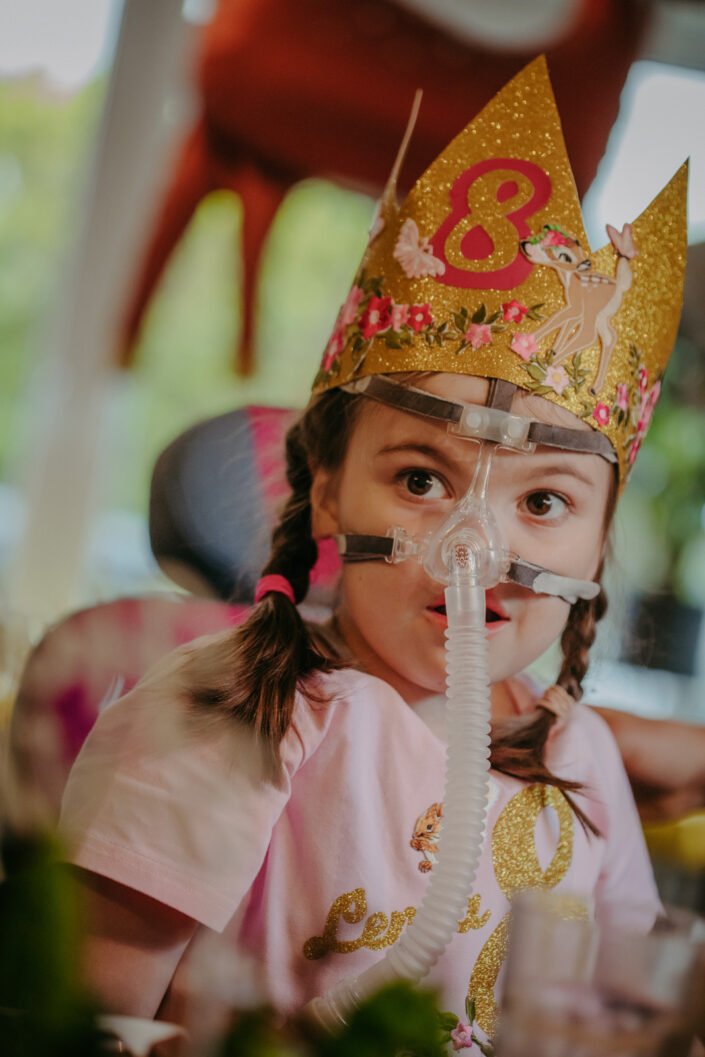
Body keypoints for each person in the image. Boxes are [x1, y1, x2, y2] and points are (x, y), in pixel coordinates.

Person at [58, 58, 689, 1045]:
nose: (477, 544)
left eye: (544, 499)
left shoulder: (580, 758)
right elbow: (77, 1023)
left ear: (596, 547)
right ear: (325, 491)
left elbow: (620, 1025)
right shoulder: (233, 715)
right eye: (422, 480)